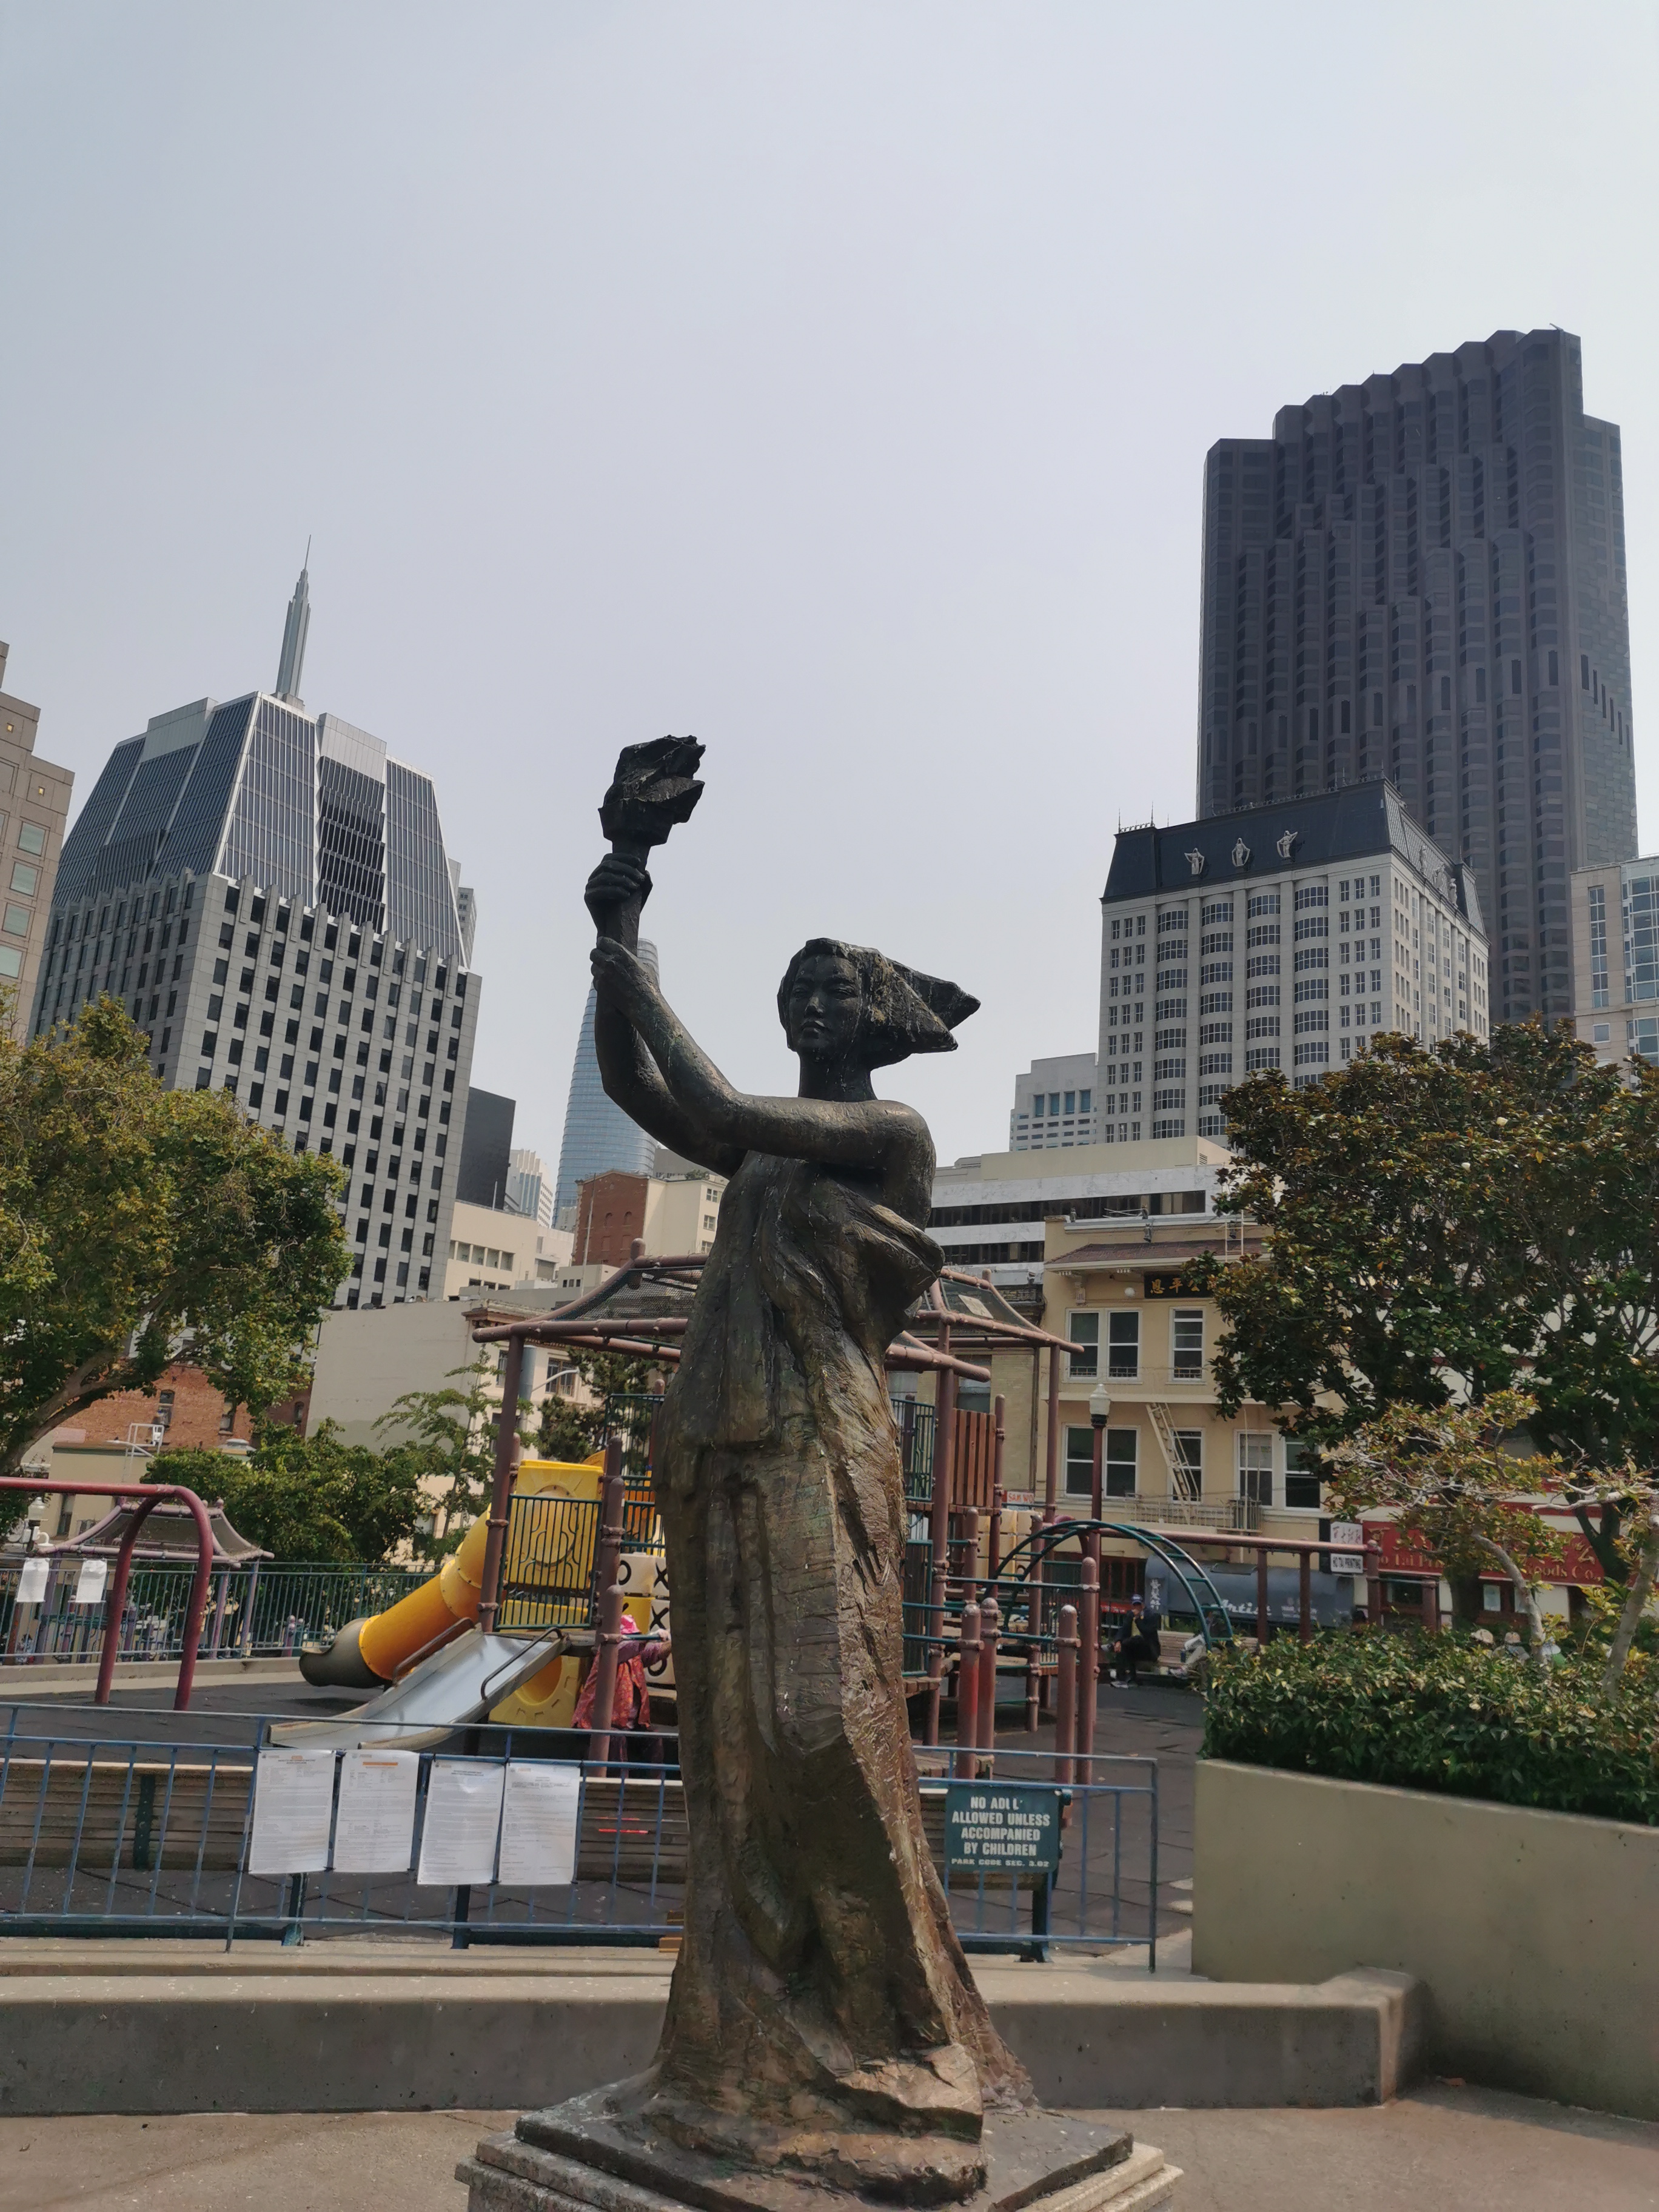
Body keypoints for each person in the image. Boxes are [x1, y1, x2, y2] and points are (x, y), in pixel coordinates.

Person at [580, 852, 1031, 2187]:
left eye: (836, 987)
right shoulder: (762, 1150)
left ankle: (895, 2014)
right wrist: (619, 919)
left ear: (879, 1014)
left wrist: (632, 970)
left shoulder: (893, 1136)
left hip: (822, 1439)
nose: (812, 1001)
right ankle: (751, 2031)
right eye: (798, 985)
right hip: (723, 1432)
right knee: (733, 1736)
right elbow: (635, 1091)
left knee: (821, 1719)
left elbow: (717, 1098)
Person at [1112, 1592, 1162, 1685]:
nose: (1137, 1607)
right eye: (1135, 1605)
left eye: (1138, 1605)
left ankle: (1130, 1676)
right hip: (1133, 1648)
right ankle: (1122, 1678)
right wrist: (1118, 1641)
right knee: (1123, 1647)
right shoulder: (1130, 1615)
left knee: (1136, 1640)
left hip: (1149, 1649)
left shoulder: (1150, 1615)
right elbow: (1123, 1629)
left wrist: (1138, 1619)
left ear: (1143, 1605)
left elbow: (1148, 1632)